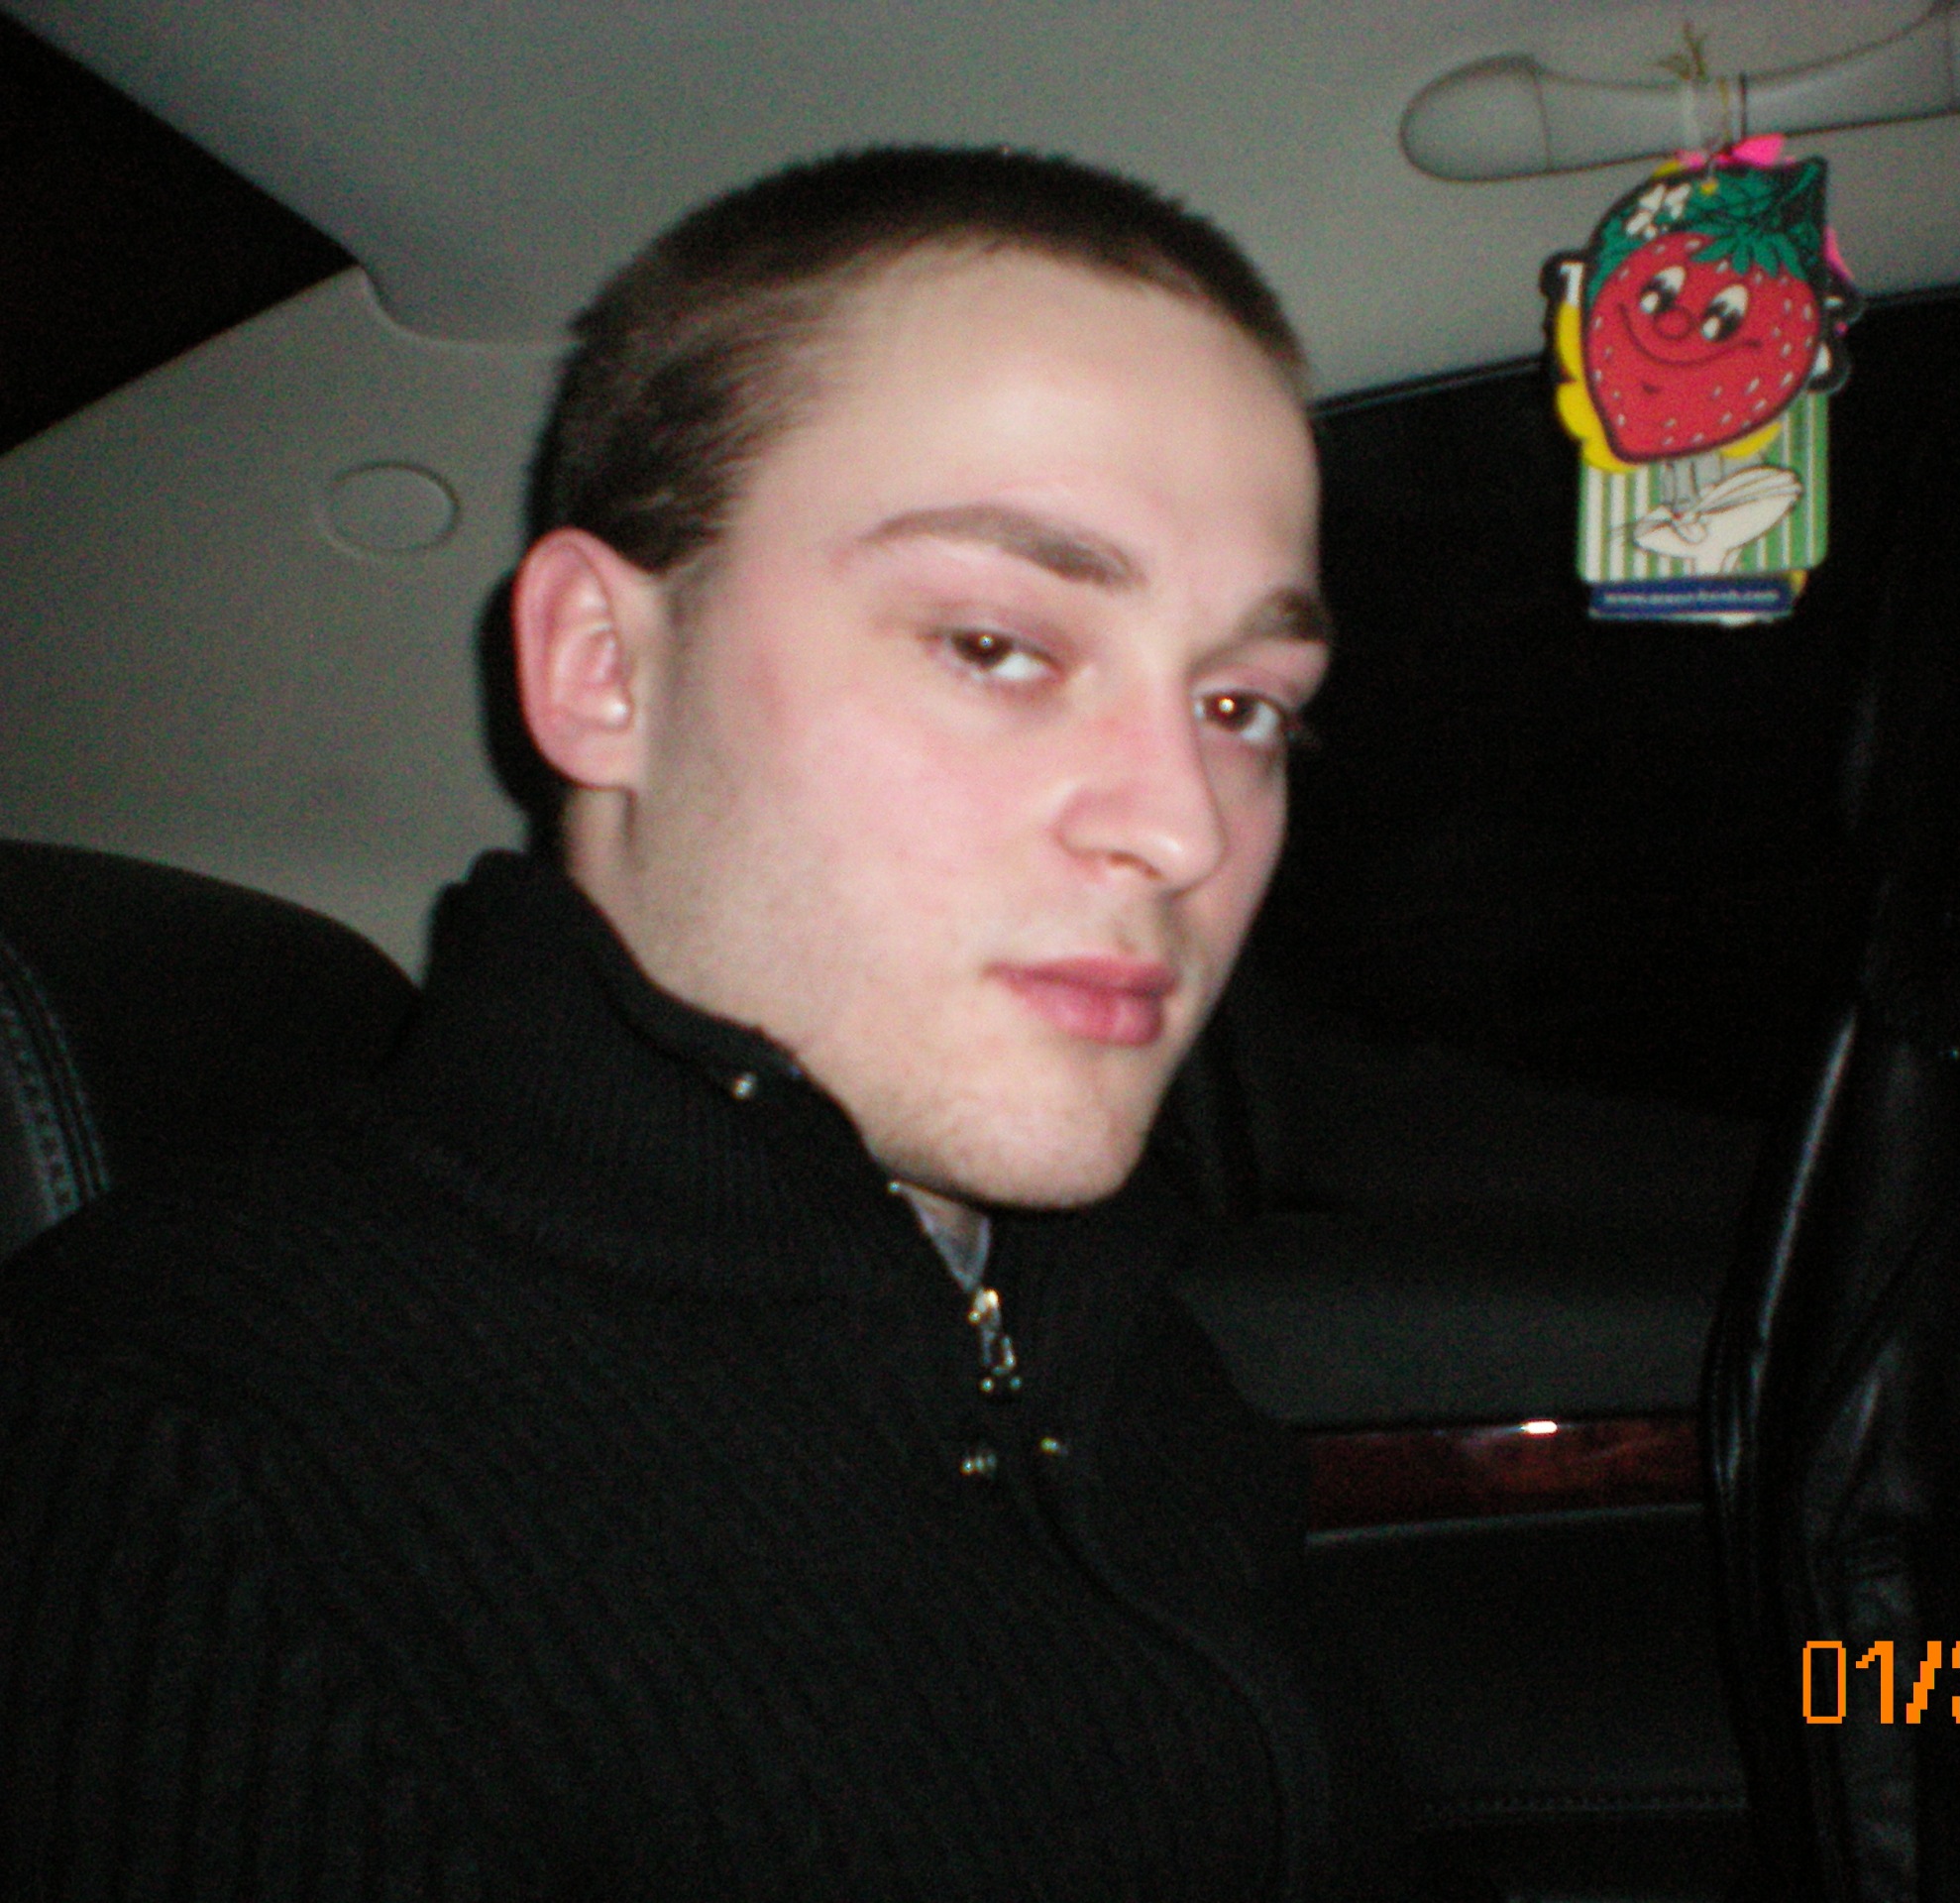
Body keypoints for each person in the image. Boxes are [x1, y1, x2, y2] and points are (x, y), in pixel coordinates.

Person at [0, 147, 1401, 1899]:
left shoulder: (1095, 1332)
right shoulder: (173, 1482)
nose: (1184, 826)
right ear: (603, 666)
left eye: (1243, 705)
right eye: (995, 644)